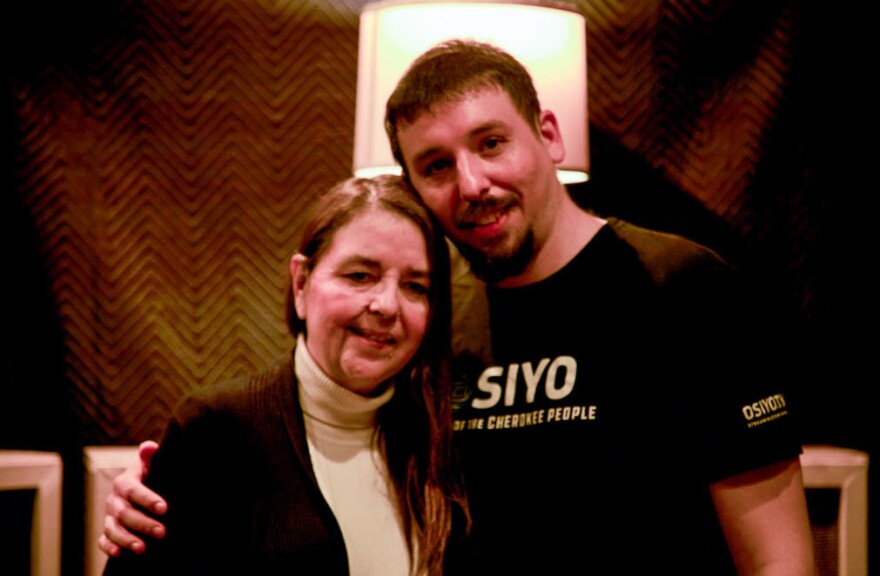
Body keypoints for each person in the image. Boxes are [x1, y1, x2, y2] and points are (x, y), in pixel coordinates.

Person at [101, 40, 815, 574]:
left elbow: (779, 561)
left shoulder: (686, 288)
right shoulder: (438, 329)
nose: (471, 183)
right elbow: (318, 449)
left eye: (491, 143)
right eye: (436, 165)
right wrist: (160, 495)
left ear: (550, 136)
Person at [102, 174, 468, 576]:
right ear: (301, 283)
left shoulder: (442, 435)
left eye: (415, 286)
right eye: (360, 276)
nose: (386, 305)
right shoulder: (216, 430)